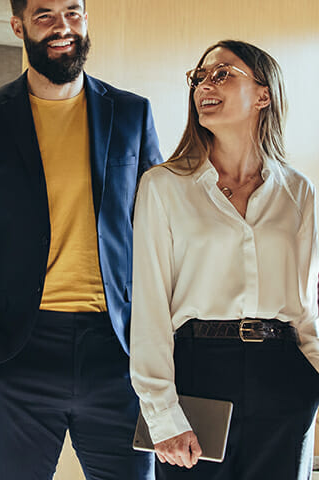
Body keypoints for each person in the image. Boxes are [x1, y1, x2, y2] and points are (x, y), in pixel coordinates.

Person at [0, 0, 161, 480]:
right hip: (19, 350)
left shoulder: (132, 114)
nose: (63, 26)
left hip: (117, 351)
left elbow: (160, 231)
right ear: (18, 26)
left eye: (73, 12)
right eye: (45, 16)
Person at [130, 40, 319, 479]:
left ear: (263, 94)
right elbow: (150, 308)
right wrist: (162, 413)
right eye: (199, 77)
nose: (204, 85)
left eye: (222, 74)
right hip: (197, 372)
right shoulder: (164, 186)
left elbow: (307, 308)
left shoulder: (298, 191)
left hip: (283, 376)